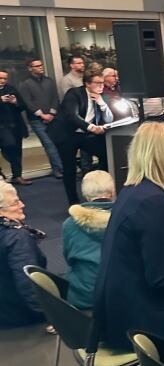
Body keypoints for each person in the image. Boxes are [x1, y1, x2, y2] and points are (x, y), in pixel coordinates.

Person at [93, 122, 164, 352]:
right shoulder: (153, 202)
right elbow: (161, 279)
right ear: (163, 156)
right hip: (139, 323)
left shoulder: (134, 191)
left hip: (118, 310)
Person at [48, 71, 114, 206]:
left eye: (102, 83)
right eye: (98, 83)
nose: (101, 86)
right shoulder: (74, 93)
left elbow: (109, 118)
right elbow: (72, 116)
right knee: (69, 168)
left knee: (107, 154)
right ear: (87, 84)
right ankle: (73, 202)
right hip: (66, 134)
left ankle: (101, 190)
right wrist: (91, 128)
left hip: (84, 134)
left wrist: (102, 103)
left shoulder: (101, 96)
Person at [62, 170, 115, 309]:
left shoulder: (69, 224)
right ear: (113, 192)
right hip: (118, 296)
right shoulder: (126, 219)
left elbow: (69, 259)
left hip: (83, 296)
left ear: (85, 195)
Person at [0, 180, 47, 328]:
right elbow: (27, 281)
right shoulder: (17, 238)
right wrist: (48, 315)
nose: (22, 205)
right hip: (19, 318)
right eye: (15, 203)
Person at [17, 59, 63, 178]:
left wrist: (52, 114)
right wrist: (42, 115)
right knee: (49, 144)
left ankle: (60, 167)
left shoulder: (49, 81)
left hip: (53, 117)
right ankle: (59, 169)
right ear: (30, 68)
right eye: (37, 66)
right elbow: (28, 102)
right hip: (36, 119)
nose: (40, 67)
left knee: (58, 142)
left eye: (41, 65)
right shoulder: (25, 84)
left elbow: (55, 98)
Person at [0, 69, 31, 185]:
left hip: (14, 125)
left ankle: (17, 175)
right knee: (9, 145)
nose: (2, 81)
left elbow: (23, 105)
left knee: (17, 151)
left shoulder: (11, 88)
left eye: (5, 78)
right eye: (0, 78)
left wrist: (15, 102)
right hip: (1, 126)